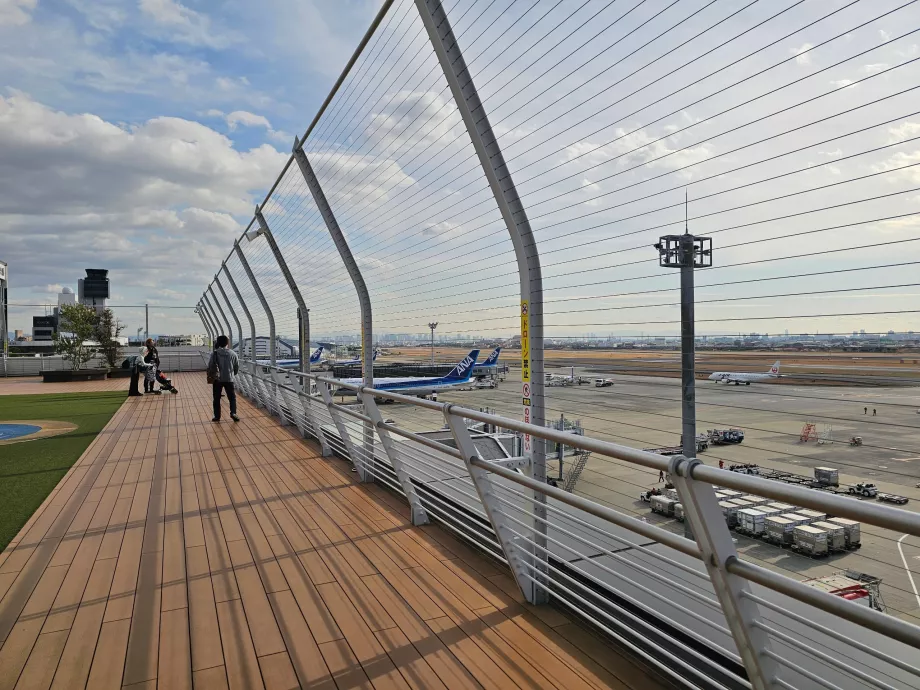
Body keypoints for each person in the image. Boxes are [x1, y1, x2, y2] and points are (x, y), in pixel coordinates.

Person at [208, 335, 239, 423]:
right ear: (227, 343)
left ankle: (217, 416)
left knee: (216, 398)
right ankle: (233, 413)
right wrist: (232, 374)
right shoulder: (233, 353)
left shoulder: (214, 353)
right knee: (232, 398)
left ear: (218, 343)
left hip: (217, 379)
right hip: (229, 379)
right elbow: (236, 367)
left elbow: (210, 366)